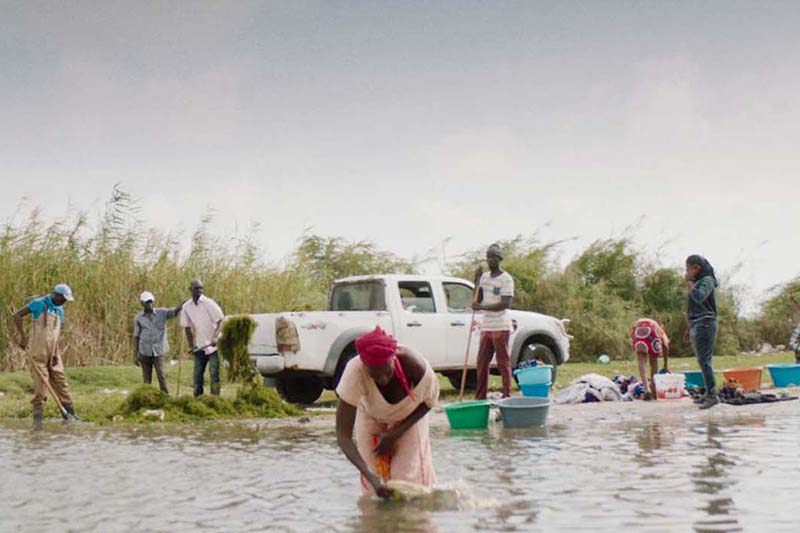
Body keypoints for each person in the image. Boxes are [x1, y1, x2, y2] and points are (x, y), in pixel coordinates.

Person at [335, 327, 439, 499]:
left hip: (410, 415)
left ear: (394, 358)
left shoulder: (417, 367)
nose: (382, 379)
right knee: (373, 486)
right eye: (374, 375)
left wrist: (394, 434)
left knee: (408, 478)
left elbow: (429, 403)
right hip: (371, 413)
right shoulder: (355, 371)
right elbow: (343, 436)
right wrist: (370, 475)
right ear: (364, 366)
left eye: (387, 372)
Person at [12, 284, 79, 427]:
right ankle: (38, 423)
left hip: (54, 354)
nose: (65, 302)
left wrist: (56, 351)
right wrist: (23, 337)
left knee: (61, 383)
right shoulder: (38, 304)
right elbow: (16, 315)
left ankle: (70, 415)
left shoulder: (60, 310)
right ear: (56, 295)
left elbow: (57, 334)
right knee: (41, 388)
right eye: (63, 299)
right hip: (38, 353)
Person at [473, 243, 515, 400]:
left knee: (502, 362)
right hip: (487, 325)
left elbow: (505, 304)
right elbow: (477, 299)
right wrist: (476, 280)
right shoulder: (484, 278)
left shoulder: (506, 279)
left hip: (501, 325)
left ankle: (506, 395)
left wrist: (482, 306)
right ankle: (480, 397)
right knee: (481, 362)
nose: (490, 261)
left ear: (499, 259)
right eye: (488, 257)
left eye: (493, 258)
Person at [685, 255, 720, 409]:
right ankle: (708, 392)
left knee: (705, 360)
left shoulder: (707, 281)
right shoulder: (700, 281)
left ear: (696, 268)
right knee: (702, 360)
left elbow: (699, 297)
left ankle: (712, 395)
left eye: (688, 269)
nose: (686, 272)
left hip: (705, 323)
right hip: (697, 323)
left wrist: (691, 286)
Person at [133, 291, 185, 393]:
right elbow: (136, 336)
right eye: (147, 302)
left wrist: (184, 303)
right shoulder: (138, 318)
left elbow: (174, 312)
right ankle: (147, 397)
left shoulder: (162, 313)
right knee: (146, 379)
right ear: (142, 304)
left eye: (151, 302)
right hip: (144, 351)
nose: (150, 305)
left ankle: (165, 396)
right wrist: (135, 354)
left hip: (158, 351)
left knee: (161, 375)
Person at [180, 279, 224, 397]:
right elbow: (187, 327)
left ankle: (215, 399)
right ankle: (198, 399)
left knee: (214, 373)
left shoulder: (208, 303)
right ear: (191, 290)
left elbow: (220, 321)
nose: (199, 291)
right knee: (197, 374)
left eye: (201, 288)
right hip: (200, 345)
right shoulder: (186, 306)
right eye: (196, 288)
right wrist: (190, 346)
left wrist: (215, 338)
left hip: (213, 345)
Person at [630, 318, 670, 400]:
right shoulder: (658, 328)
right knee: (653, 361)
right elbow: (666, 345)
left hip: (637, 330)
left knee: (641, 361)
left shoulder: (640, 322)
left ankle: (647, 389)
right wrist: (665, 366)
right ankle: (653, 387)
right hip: (652, 331)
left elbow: (632, 336)